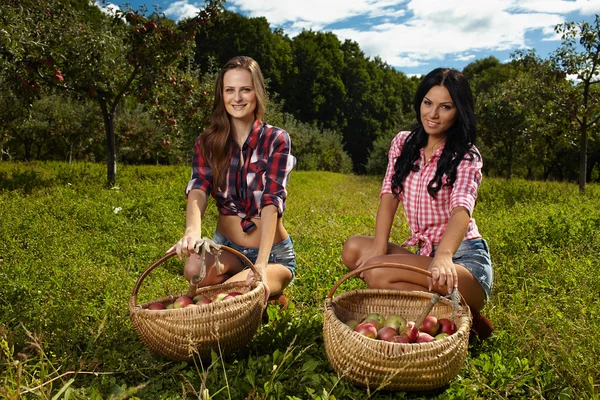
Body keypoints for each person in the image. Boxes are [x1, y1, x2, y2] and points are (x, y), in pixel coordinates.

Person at [342, 68, 494, 339]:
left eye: (445, 107)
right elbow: (389, 195)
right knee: (354, 250)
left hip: (463, 261)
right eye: (428, 103)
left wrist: (445, 256)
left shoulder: (466, 155)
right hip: (425, 257)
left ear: (459, 110)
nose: (432, 114)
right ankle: (456, 312)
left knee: (377, 275)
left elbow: (462, 208)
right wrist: (378, 248)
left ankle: (464, 309)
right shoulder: (403, 143)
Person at [168, 56, 296, 304]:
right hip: (226, 247)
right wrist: (192, 230)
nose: (237, 98)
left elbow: (272, 201)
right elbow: (199, 187)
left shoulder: (276, 139)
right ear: (221, 94)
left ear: (256, 92)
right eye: (230, 90)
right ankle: (249, 286)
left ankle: (268, 286)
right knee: (194, 269)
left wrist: (260, 263)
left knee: (226, 298)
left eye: (245, 89)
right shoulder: (207, 142)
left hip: (272, 255)